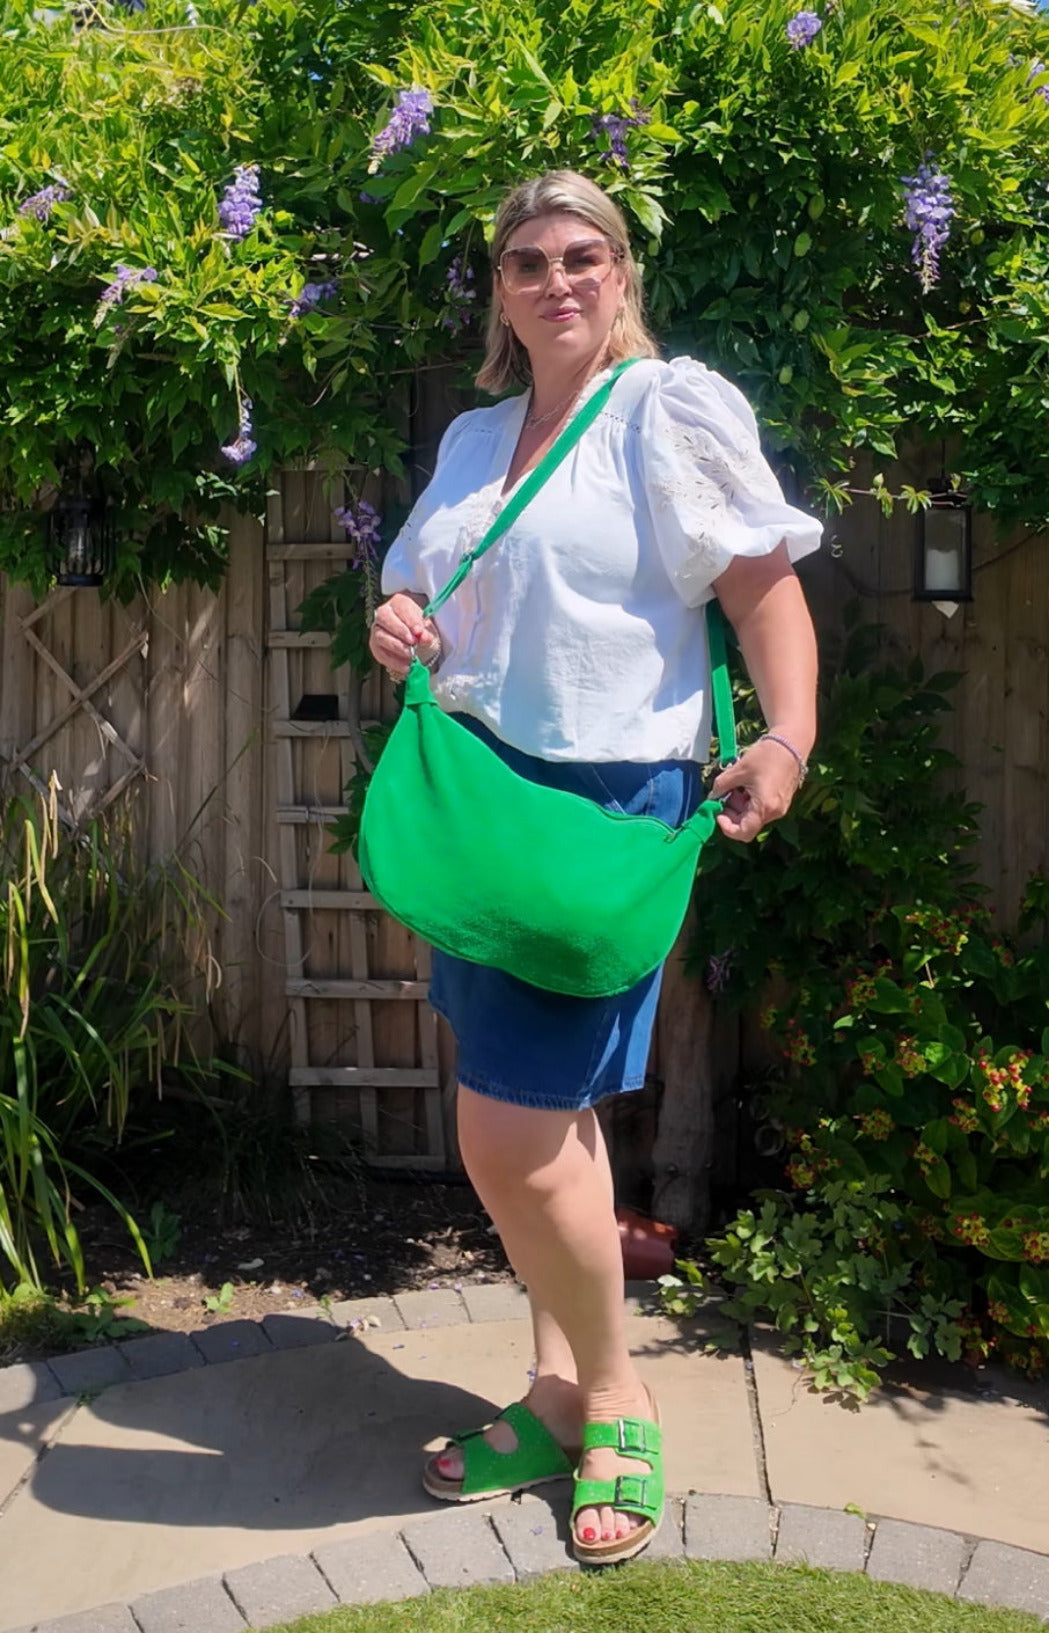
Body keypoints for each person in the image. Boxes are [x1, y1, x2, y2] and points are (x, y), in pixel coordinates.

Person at [368, 169, 820, 1565]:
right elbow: (435, 590)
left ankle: (614, 1394)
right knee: (547, 1139)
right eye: (524, 261)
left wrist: (787, 738)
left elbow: (762, 586)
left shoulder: (664, 410)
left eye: (581, 256)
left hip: (600, 804)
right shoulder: (470, 437)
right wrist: (400, 623)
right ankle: (557, 1387)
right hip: (479, 796)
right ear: (497, 292)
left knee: (501, 1137)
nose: (554, 279)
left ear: (620, 275)